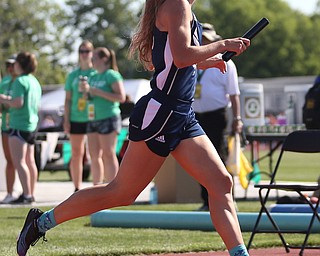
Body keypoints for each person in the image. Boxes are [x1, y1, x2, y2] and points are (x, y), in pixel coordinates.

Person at [16, 1, 250, 256]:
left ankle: (239, 254)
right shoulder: (177, 4)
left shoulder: (181, 8)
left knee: (221, 183)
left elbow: (172, 60)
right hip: (162, 113)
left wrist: (208, 60)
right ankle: (40, 223)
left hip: (182, 114)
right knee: (120, 193)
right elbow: (182, 57)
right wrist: (224, 44)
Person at [193, 23, 243, 211]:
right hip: (195, 116)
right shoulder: (193, 60)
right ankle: (206, 201)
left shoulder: (227, 62)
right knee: (198, 160)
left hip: (217, 115)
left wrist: (237, 119)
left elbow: (234, 93)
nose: (204, 42)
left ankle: (226, 200)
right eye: (201, 39)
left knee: (218, 158)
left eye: (207, 40)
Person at [0, 51, 42, 204]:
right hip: (31, 124)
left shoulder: (19, 81)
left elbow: (18, 103)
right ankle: (31, 192)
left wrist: (4, 99)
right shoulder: (34, 81)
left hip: (18, 124)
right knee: (30, 161)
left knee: (19, 162)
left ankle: (27, 195)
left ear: (20, 64)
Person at [83, 47, 126, 184]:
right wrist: (86, 92)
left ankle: (113, 187)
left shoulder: (111, 75)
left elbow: (121, 97)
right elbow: (88, 97)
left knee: (108, 153)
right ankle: (96, 187)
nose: (92, 60)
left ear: (104, 59)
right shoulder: (93, 76)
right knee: (94, 156)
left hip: (108, 117)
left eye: (94, 57)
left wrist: (97, 91)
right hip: (92, 117)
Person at [63, 40, 97, 192]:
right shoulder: (73, 75)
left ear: (92, 54)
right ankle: (76, 187)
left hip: (93, 117)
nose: (84, 54)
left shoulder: (96, 73)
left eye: (87, 51)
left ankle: (98, 188)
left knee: (96, 154)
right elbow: (68, 100)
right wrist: (66, 120)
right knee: (76, 153)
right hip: (76, 117)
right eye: (81, 51)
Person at [0, 55, 17, 204]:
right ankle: (10, 192)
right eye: (8, 65)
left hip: (19, 124)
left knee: (23, 161)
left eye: (12, 64)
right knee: (9, 160)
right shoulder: (4, 81)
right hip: (6, 125)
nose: (10, 68)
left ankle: (27, 193)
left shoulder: (22, 80)